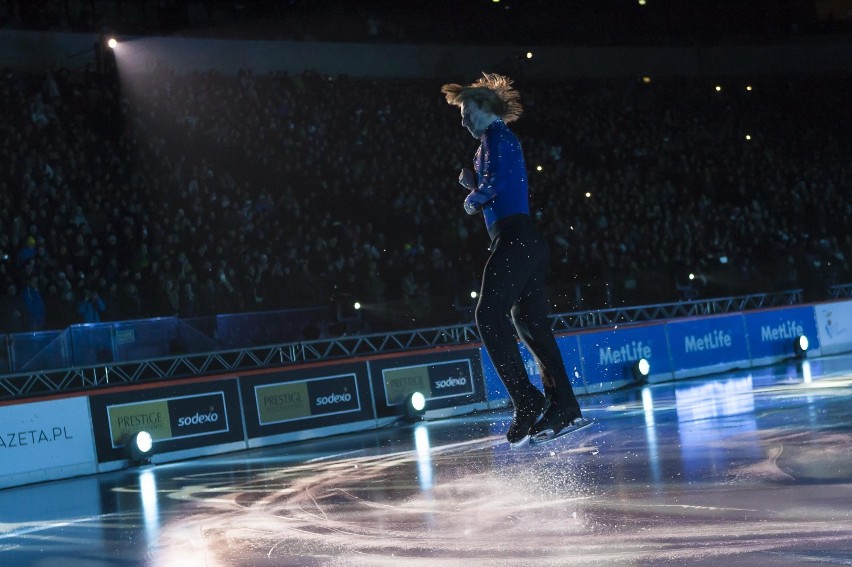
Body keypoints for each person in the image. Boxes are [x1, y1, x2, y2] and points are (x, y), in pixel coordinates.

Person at [441, 73, 586, 444]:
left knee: (488, 315)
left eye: (467, 112)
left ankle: (527, 398)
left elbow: (497, 187)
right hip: (524, 241)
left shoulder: (497, 137)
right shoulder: (490, 144)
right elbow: (497, 182)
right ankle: (565, 405)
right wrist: (475, 185)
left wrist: (472, 198)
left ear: (487, 109)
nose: (463, 120)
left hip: (516, 239)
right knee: (529, 322)